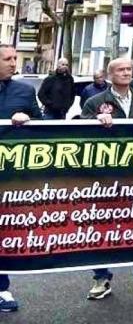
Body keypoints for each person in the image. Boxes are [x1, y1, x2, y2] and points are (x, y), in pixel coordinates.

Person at [81, 58, 133, 299]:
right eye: (121, 70)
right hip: (104, 177)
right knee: (102, 227)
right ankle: (101, 279)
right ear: (110, 75)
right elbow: (78, 131)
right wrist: (94, 121)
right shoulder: (95, 102)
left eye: (128, 69)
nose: (126, 73)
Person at [0, 45, 40, 311]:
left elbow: (44, 128)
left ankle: (2, 289)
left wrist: (29, 120)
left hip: (9, 177)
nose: (14, 63)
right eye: (8, 59)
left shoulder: (25, 91)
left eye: (15, 58)